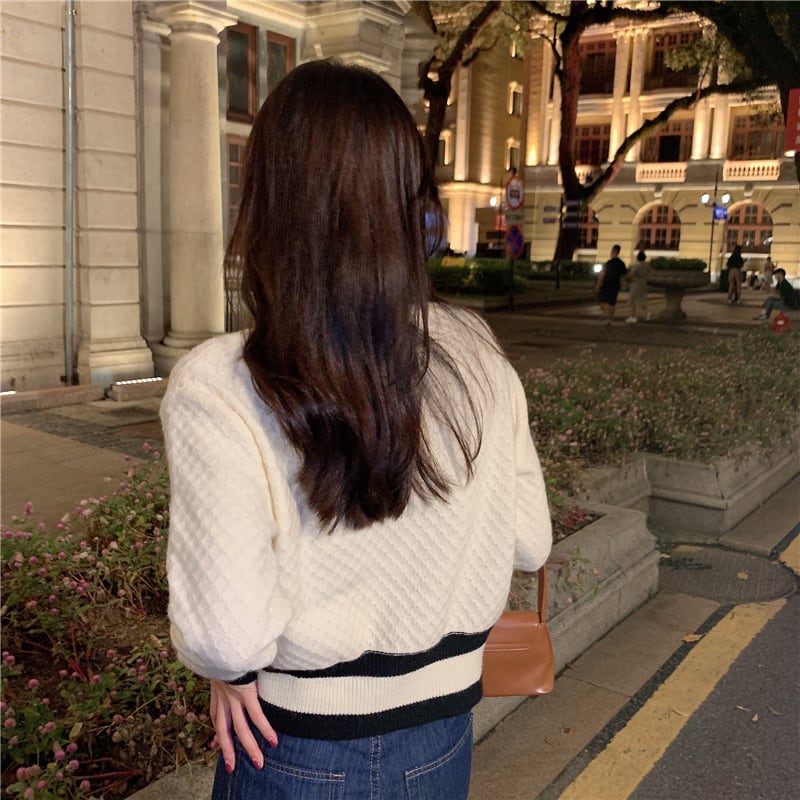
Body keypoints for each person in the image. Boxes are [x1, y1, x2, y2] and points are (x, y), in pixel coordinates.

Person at [161, 59, 552, 800]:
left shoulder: (220, 384)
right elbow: (531, 538)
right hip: (443, 736)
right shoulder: (474, 351)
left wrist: (229, 673)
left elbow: (226, 635)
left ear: (271, 201)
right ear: (408, 199)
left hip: (297, 749)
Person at [595, 244, 628, 325]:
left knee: (602, 301)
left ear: (613, 251)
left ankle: (607, 314)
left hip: (606, 284)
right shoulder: (621, 263)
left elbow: (602, 274)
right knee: (612, 303)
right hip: (615, 285)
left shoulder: (608, 263)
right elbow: (623, 276)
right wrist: (623, 284)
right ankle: (609, 317)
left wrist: (598, 285)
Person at [625, 250, 651, 323]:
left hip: (636, 285)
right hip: (644, 285)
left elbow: (631, 274)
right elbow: (651, 273)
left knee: (632, 302)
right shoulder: (647, 266)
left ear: (637, 258)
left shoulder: (636, 266)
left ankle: (632, 317)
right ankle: (648, 312)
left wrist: (627, 278)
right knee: (640, 301)